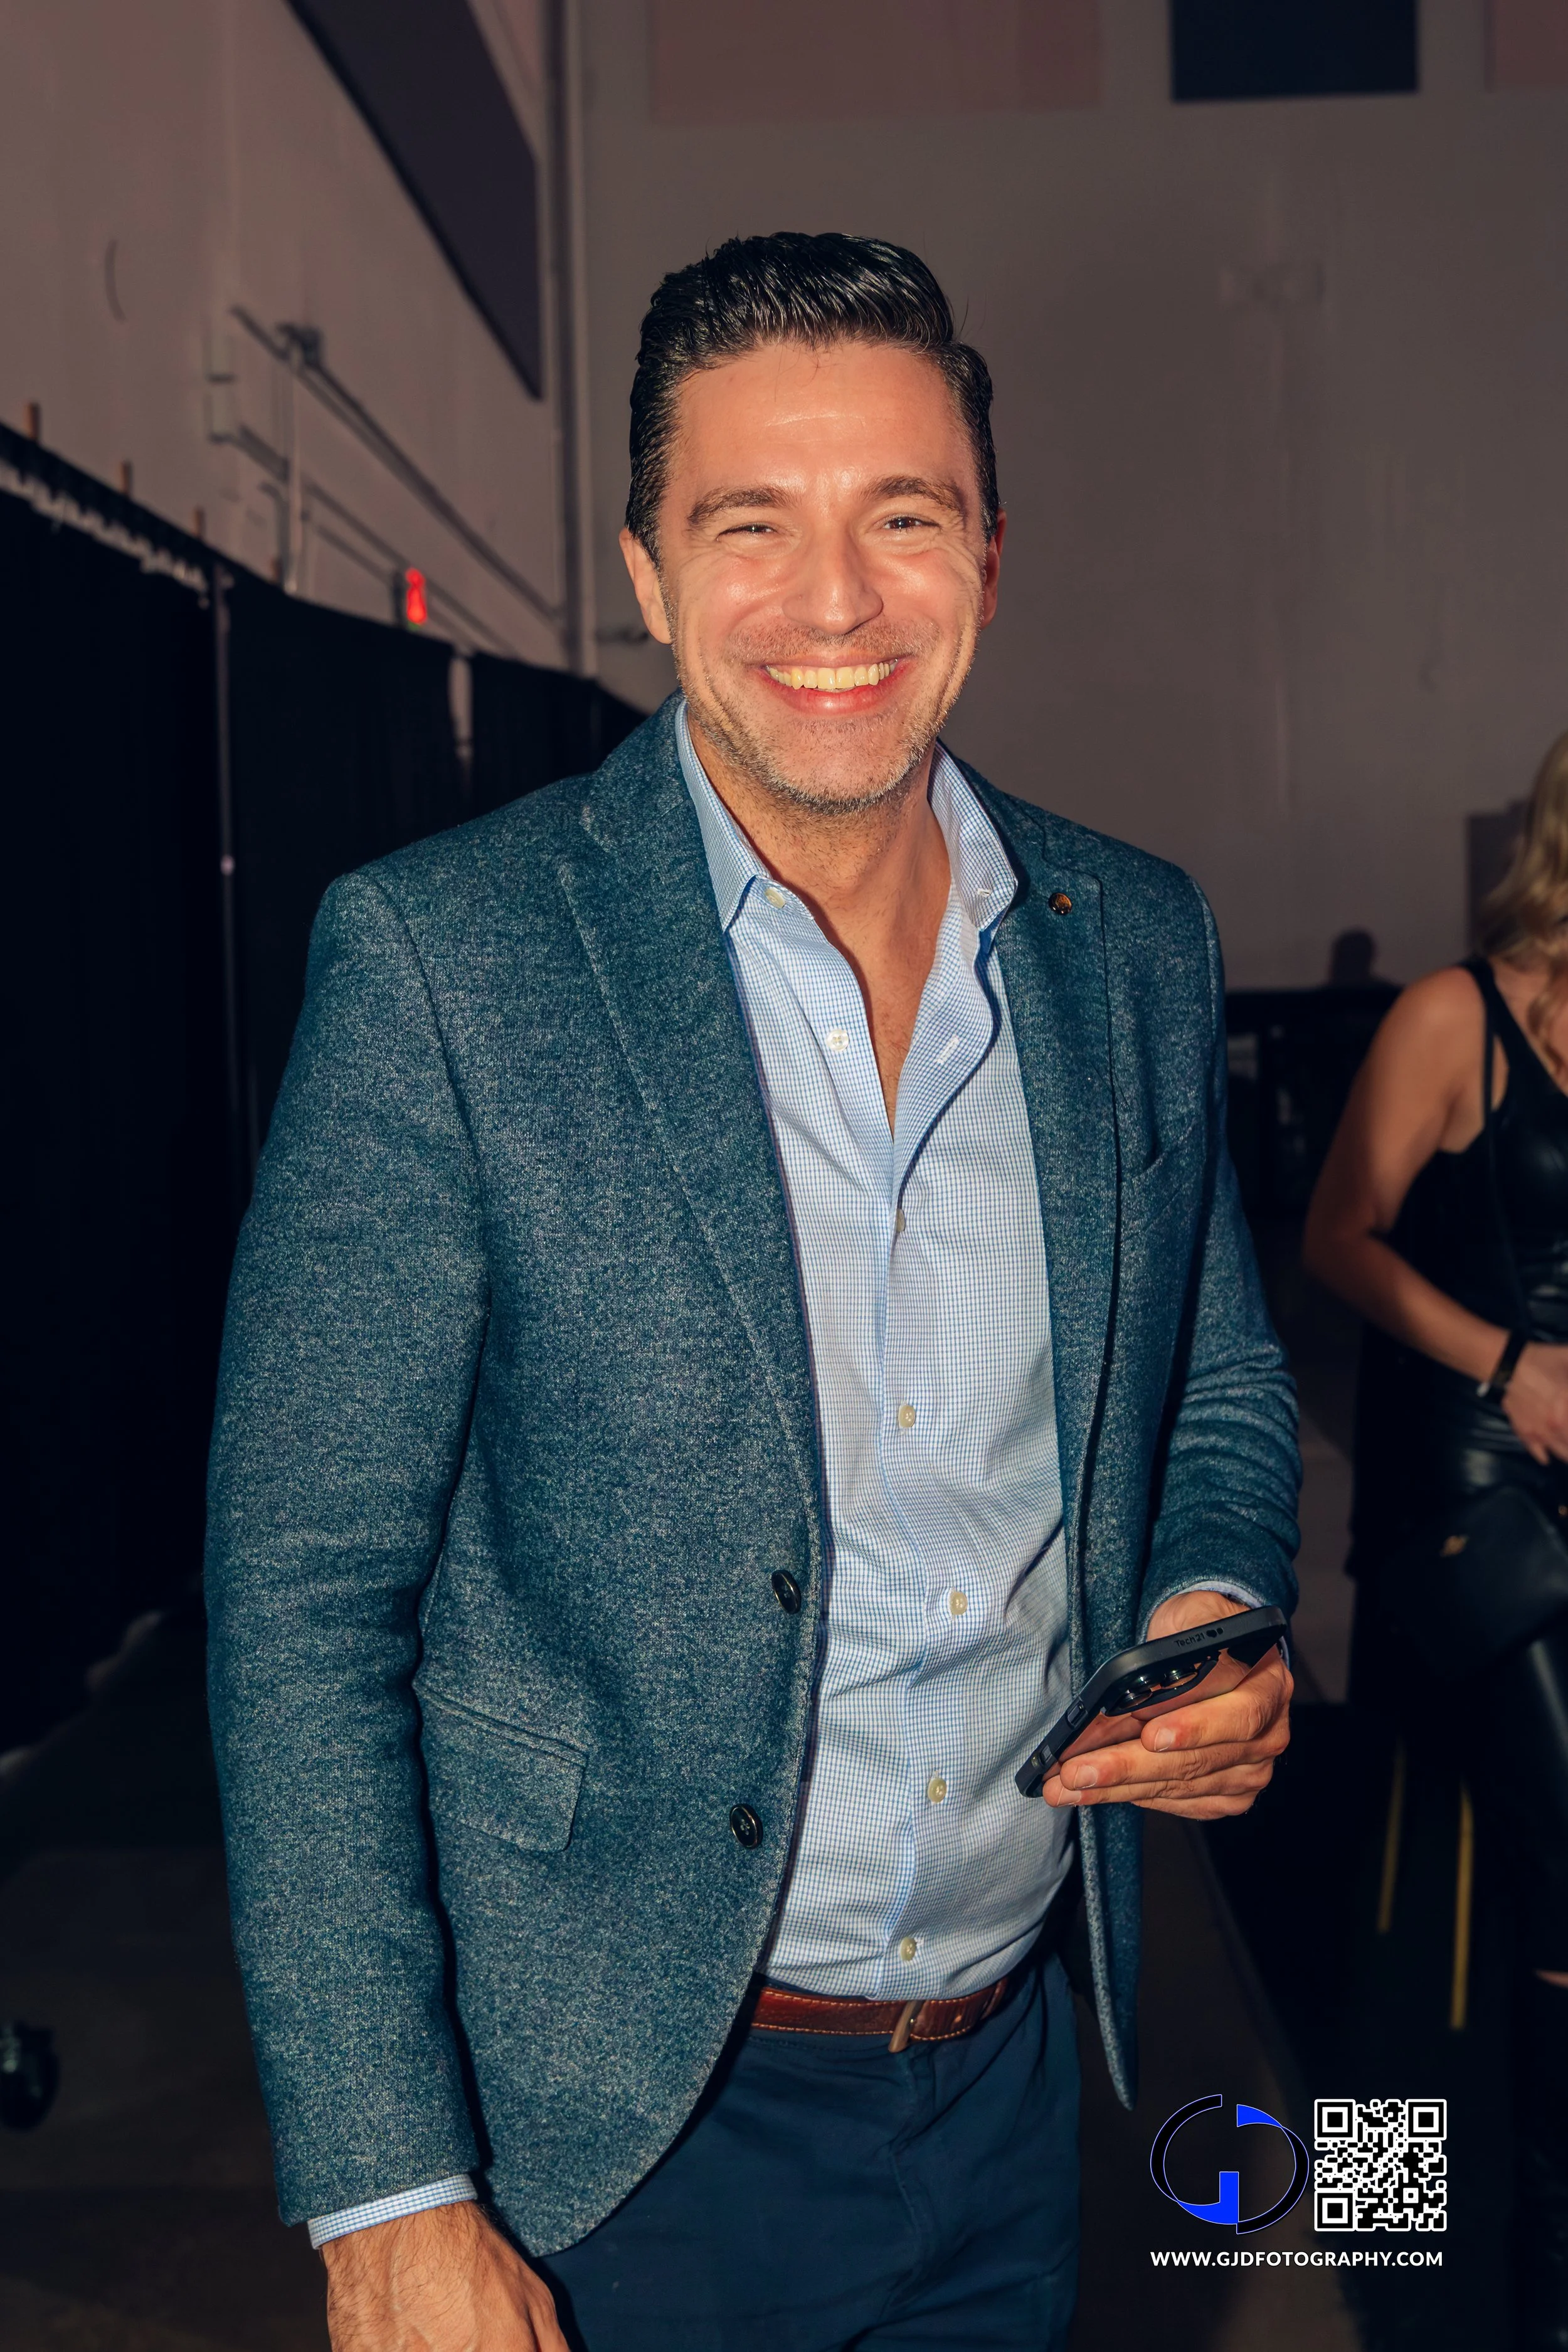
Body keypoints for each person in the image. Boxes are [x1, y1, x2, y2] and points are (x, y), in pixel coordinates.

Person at [206, 232, 1298, 2352]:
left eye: (901, 515)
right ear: (643, 567)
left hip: (1008, 2081)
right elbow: (305, 1596)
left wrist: (1202, 1609)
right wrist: (385, 2191)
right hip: (609, 2130)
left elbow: (1221, 1382)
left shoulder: (1127, 939)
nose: (835, 602)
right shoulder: (450, 963)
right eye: (750, 525)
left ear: (989, 545)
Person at [1305, 729, 1568, 2352]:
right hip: (1465, 1504)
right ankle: (1513, 2297)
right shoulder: (1454, 1014)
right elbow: (1334, 1235)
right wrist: (1503, 1358)